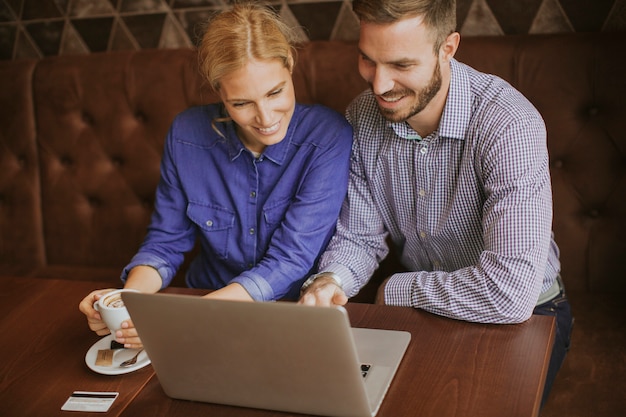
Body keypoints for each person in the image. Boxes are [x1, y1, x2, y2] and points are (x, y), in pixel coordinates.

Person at [298, 0, 572, 405]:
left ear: (448, 48)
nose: (378, 85)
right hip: (423, 316)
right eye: (367, 60)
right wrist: (331, 281)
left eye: (401, 65)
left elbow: (510, 293)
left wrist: (396, 289)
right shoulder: (361, 116)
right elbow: (359, 236)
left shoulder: (508, 125)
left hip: (528, 317)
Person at [79, 3, 352, 349]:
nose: (266, 117)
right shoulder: (186, 134)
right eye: (241, 103)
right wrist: (127, 303)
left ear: (290, 66)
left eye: (275, 92)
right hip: (203, 300)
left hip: (289, 316)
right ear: (218, 91)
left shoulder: (328, 137)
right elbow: (165, 242)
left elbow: (290, 259)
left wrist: (181, 319)